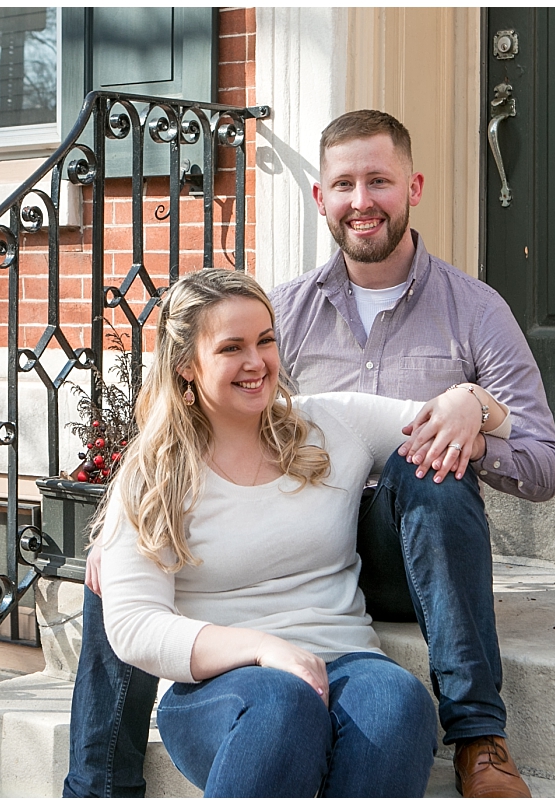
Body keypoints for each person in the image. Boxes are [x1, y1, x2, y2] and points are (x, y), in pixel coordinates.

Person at [91, 268, 511, 797]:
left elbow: (499, 423)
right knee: (283, 703)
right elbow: (132, 625)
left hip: (348, 662)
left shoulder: (331, 425)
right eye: (231, 347)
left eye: (265, 340)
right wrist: (264, 649)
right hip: (226, 689)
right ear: (186, 368)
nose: (256, 362)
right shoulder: (154, 474)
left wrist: (468, 401)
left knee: (398, 702)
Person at [269, 110, 555, 798]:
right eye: (343, 184)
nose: (361, 201)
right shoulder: (282, 313)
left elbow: (546, 464)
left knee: (426, 457)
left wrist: (476, 416)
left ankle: (479, 739)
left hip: (413, 555)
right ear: (321, 198)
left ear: (414, 187)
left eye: (379, 180)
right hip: (305, 557)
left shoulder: (475, 309)